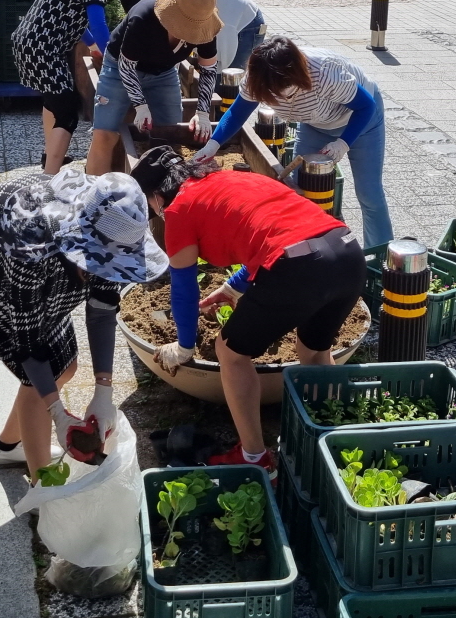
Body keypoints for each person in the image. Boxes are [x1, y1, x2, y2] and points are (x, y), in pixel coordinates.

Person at [133, 146, 365, 472]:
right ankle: (335, 439)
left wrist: (184, 346)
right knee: (313, 350)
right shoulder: (232, 179)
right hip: (347, 253)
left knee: (228, 351)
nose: (152, 209)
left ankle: (255, 457)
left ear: (157, 194)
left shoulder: (179, 211)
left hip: (299, 268)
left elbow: (184, 289)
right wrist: (233, 287)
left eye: (147, 201)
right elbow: (280, 232)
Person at [0, 168, 166, 477]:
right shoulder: (29, 237)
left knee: (65, 368)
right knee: (43, 378)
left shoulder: (112, 224)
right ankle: (44, 489)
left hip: (43, 265)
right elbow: (27, 343)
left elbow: (102, 309)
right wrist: (57, 411)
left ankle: (5, 448)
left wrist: (104, 391)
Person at [195, 36, 392, 249]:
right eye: (272, 93)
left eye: (285, 90)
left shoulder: (325, 72)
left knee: (368, 194)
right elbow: (238, 112)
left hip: (361, 121)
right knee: (301, 192)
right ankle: (312, 251)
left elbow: (366, 106)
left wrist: (343, 143)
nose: (279, 97)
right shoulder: (258, 76)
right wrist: (213, 144)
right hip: (315, 124)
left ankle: (379, 253)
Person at [13, 0, 135, 174]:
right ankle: (50, 177)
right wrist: (113, 57)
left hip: (28, 43)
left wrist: (91, 45)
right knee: (67, 111)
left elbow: (70, 18)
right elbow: (98, 24)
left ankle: (51, 155)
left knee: (54, 99)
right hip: (44, 49)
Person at [87, 0, 219, 175]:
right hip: (119, 69)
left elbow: (208, 70)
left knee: (169, 135)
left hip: (163, 73)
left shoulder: (205, 27)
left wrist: (202, 113)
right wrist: (140, 106)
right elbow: (126, 65)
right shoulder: (144, 16)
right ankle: (92, 193)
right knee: (105, 134)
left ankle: (162, 196)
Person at [163, 0, 265, 70]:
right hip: (230, 13)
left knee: (229, 78)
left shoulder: (223, 25)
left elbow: (221, 63)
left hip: (247, 23)